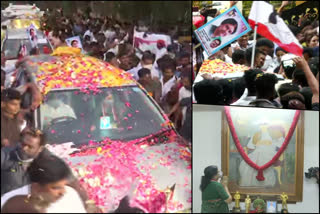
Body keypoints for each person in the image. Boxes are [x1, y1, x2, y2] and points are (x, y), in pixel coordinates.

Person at [1, 154, 87, 213]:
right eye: (56, 187)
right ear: (36, 187)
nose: (63, 192)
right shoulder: (8, 202)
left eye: (64, 185)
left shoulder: (70, 195)